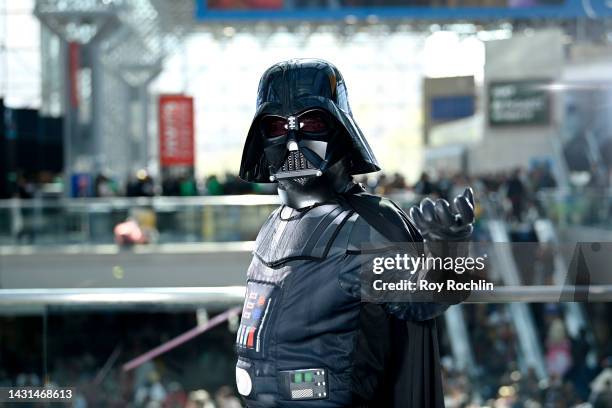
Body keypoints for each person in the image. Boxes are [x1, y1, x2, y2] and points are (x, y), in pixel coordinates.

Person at [235, 59, 475, 407]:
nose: (292, 141)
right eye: (275, 126)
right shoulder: (273, 225)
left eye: (310, 122)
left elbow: (424, 298)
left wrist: (449, 250)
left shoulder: (363, 225)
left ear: (339, 130)